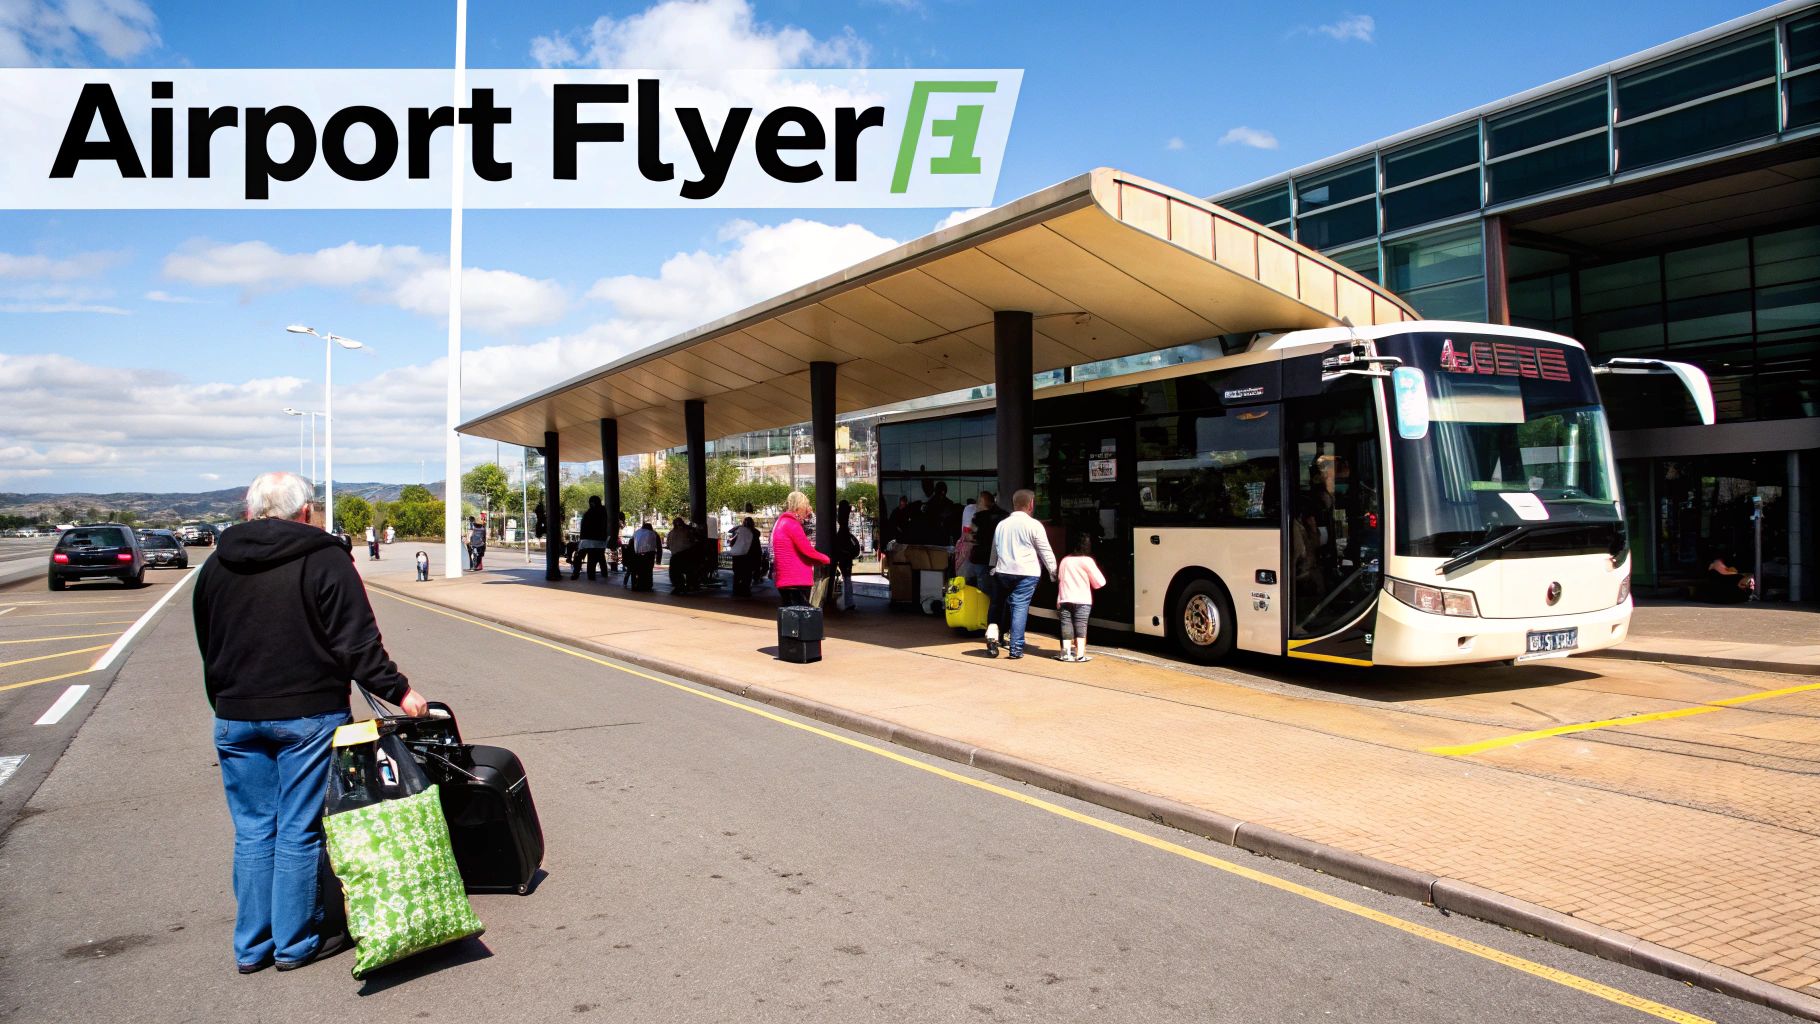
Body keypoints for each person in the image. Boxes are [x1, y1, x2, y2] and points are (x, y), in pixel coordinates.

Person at [193, 471, 429, 975]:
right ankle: (295, 943)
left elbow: (207, 641)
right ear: (305, 513)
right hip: (306, 714)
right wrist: (400, 692)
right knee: (300, 829)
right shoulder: (323, 558)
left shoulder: (217, 565)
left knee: (254, 831)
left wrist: (226, 702)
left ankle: (252, 947)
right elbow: (356, 642)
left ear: (249, 510)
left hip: (236, 716)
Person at [988, 489, 1056, 660]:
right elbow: (1045, 551)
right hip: (1027, 573)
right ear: (1031, 504)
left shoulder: (1002, 525)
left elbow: (994, 550)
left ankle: (994, 639)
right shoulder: (1034, 525)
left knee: (998, 606)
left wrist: (992, 567)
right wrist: (1053, 572)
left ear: (1014, 504)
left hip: (1002, 571)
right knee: (1019, 607)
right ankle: (1016, 648)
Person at [770, 490, 830, 607]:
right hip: (796, 580)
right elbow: (807, 550)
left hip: (786, 580)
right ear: (799, 507)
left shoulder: (781, 522)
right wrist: (826, 559)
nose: (808, 510)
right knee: (802, 620)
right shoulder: (792, 524)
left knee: (791, 618)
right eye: (806, 506)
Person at [1055, 534, 1107, 663]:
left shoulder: (1065, 560)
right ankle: (1080, 655)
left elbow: (1060, 580)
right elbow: (1100, 582)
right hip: (1083, 600)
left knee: (1066, 625)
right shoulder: (1087, 561)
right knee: (1081, 626)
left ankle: (1066, 654)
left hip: (1064, 598)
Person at [573, 495, 610, 581]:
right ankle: (595, 575)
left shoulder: (589, 513)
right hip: (599, 542)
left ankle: (576, 573)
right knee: (595, 558)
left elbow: (584, 527)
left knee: (579, 556)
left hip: (587, 541)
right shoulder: (603, 511)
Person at [833, 499, 861, 611]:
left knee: (846, 578)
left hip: (843, 555)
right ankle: (849, 602)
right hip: (846, 556)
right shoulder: (845, 526)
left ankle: (848, 602)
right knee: (847, 578)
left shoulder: (842, 526)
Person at [728, 515, 760, 597]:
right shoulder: (755, 533)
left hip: (738, 556)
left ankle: (736, 591)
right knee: (747, 575)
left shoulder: (738, 530)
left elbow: (732, 542)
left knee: (737, 575)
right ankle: (746, 591)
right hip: (749, 556)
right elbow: (757, 548)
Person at [667, 516, 697, 593]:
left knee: (675, 573)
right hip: (685, 554)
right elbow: (693, 541)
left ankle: (679, 586)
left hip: (675, 554)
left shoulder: (671, 533)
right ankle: (689, 585)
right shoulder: (687, 531)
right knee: (689, 571)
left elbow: (669, 544)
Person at [629, 521, 660, 592]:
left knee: (636, 571)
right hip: (649, 555)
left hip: (637, 555)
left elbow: (631, 544)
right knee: (648, 571)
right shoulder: (654, 534)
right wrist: (658, 559)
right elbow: (659, 547)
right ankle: (647, 586)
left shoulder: (636, 532)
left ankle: (635, 585)